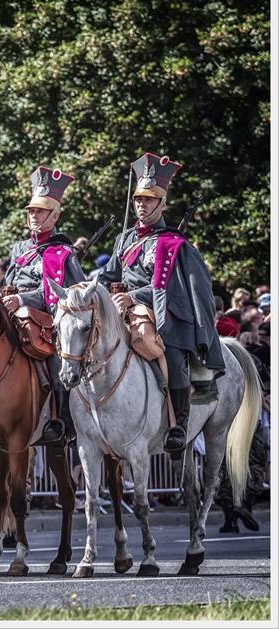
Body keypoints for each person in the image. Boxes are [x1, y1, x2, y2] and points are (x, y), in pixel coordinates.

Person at [100, 152, 225, 457]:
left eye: (149, 200)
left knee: (168, 350)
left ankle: (179, 425)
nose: (142, 205)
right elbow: (108, 276)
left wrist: (135, 296)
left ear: (162, 204)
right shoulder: (124, 239)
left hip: (163, 312)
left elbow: (176, 288)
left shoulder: (174, 243)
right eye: (139, 200)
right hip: (122, 308)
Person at [1, 165, 85, 445]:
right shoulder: (19, 249)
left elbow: (70, 293)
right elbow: (9, 280)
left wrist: (22, 299)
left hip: (48, 320)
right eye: (31, 211)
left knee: (58, 361)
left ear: (55, 215)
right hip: (15, 314)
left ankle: (61, 420)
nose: (33, 216)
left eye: (40, 211)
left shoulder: (63, 252)